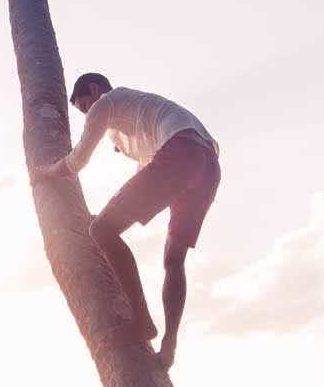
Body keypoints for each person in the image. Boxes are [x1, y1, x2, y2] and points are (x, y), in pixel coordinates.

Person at [32, 73, 220, 370]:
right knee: (174, 260)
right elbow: (147, 176)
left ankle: (142, 321)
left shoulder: (107, 102)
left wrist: (48, 172)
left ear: (94, 90)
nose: (88, 114)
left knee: (102, 231)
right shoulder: (139, 110)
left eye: (84, 106)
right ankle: (169, 345)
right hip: (208, 164)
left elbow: (77, 160)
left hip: (181, 154)